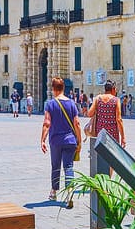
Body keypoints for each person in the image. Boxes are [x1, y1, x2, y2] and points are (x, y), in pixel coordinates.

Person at [40, 77, 80, 205]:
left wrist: (42, 140)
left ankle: (53, 192)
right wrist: (79, 140)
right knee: (68, 166)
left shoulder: (50, 104)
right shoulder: (71, 103)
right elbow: (77, 123)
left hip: (56, 141)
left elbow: (47, 123)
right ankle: (69, 193)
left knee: (55, 166)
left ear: (53, 89)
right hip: (70, 141)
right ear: (63, 88)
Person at [86, 81, 125, 155]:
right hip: (112, 134)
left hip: (100, 133)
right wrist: (123, 137)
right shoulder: (116, 100)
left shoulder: (98, 98)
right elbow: (119, 120)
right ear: (113, 89)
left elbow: (89, 113)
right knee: (113, 157)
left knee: (101, 157)